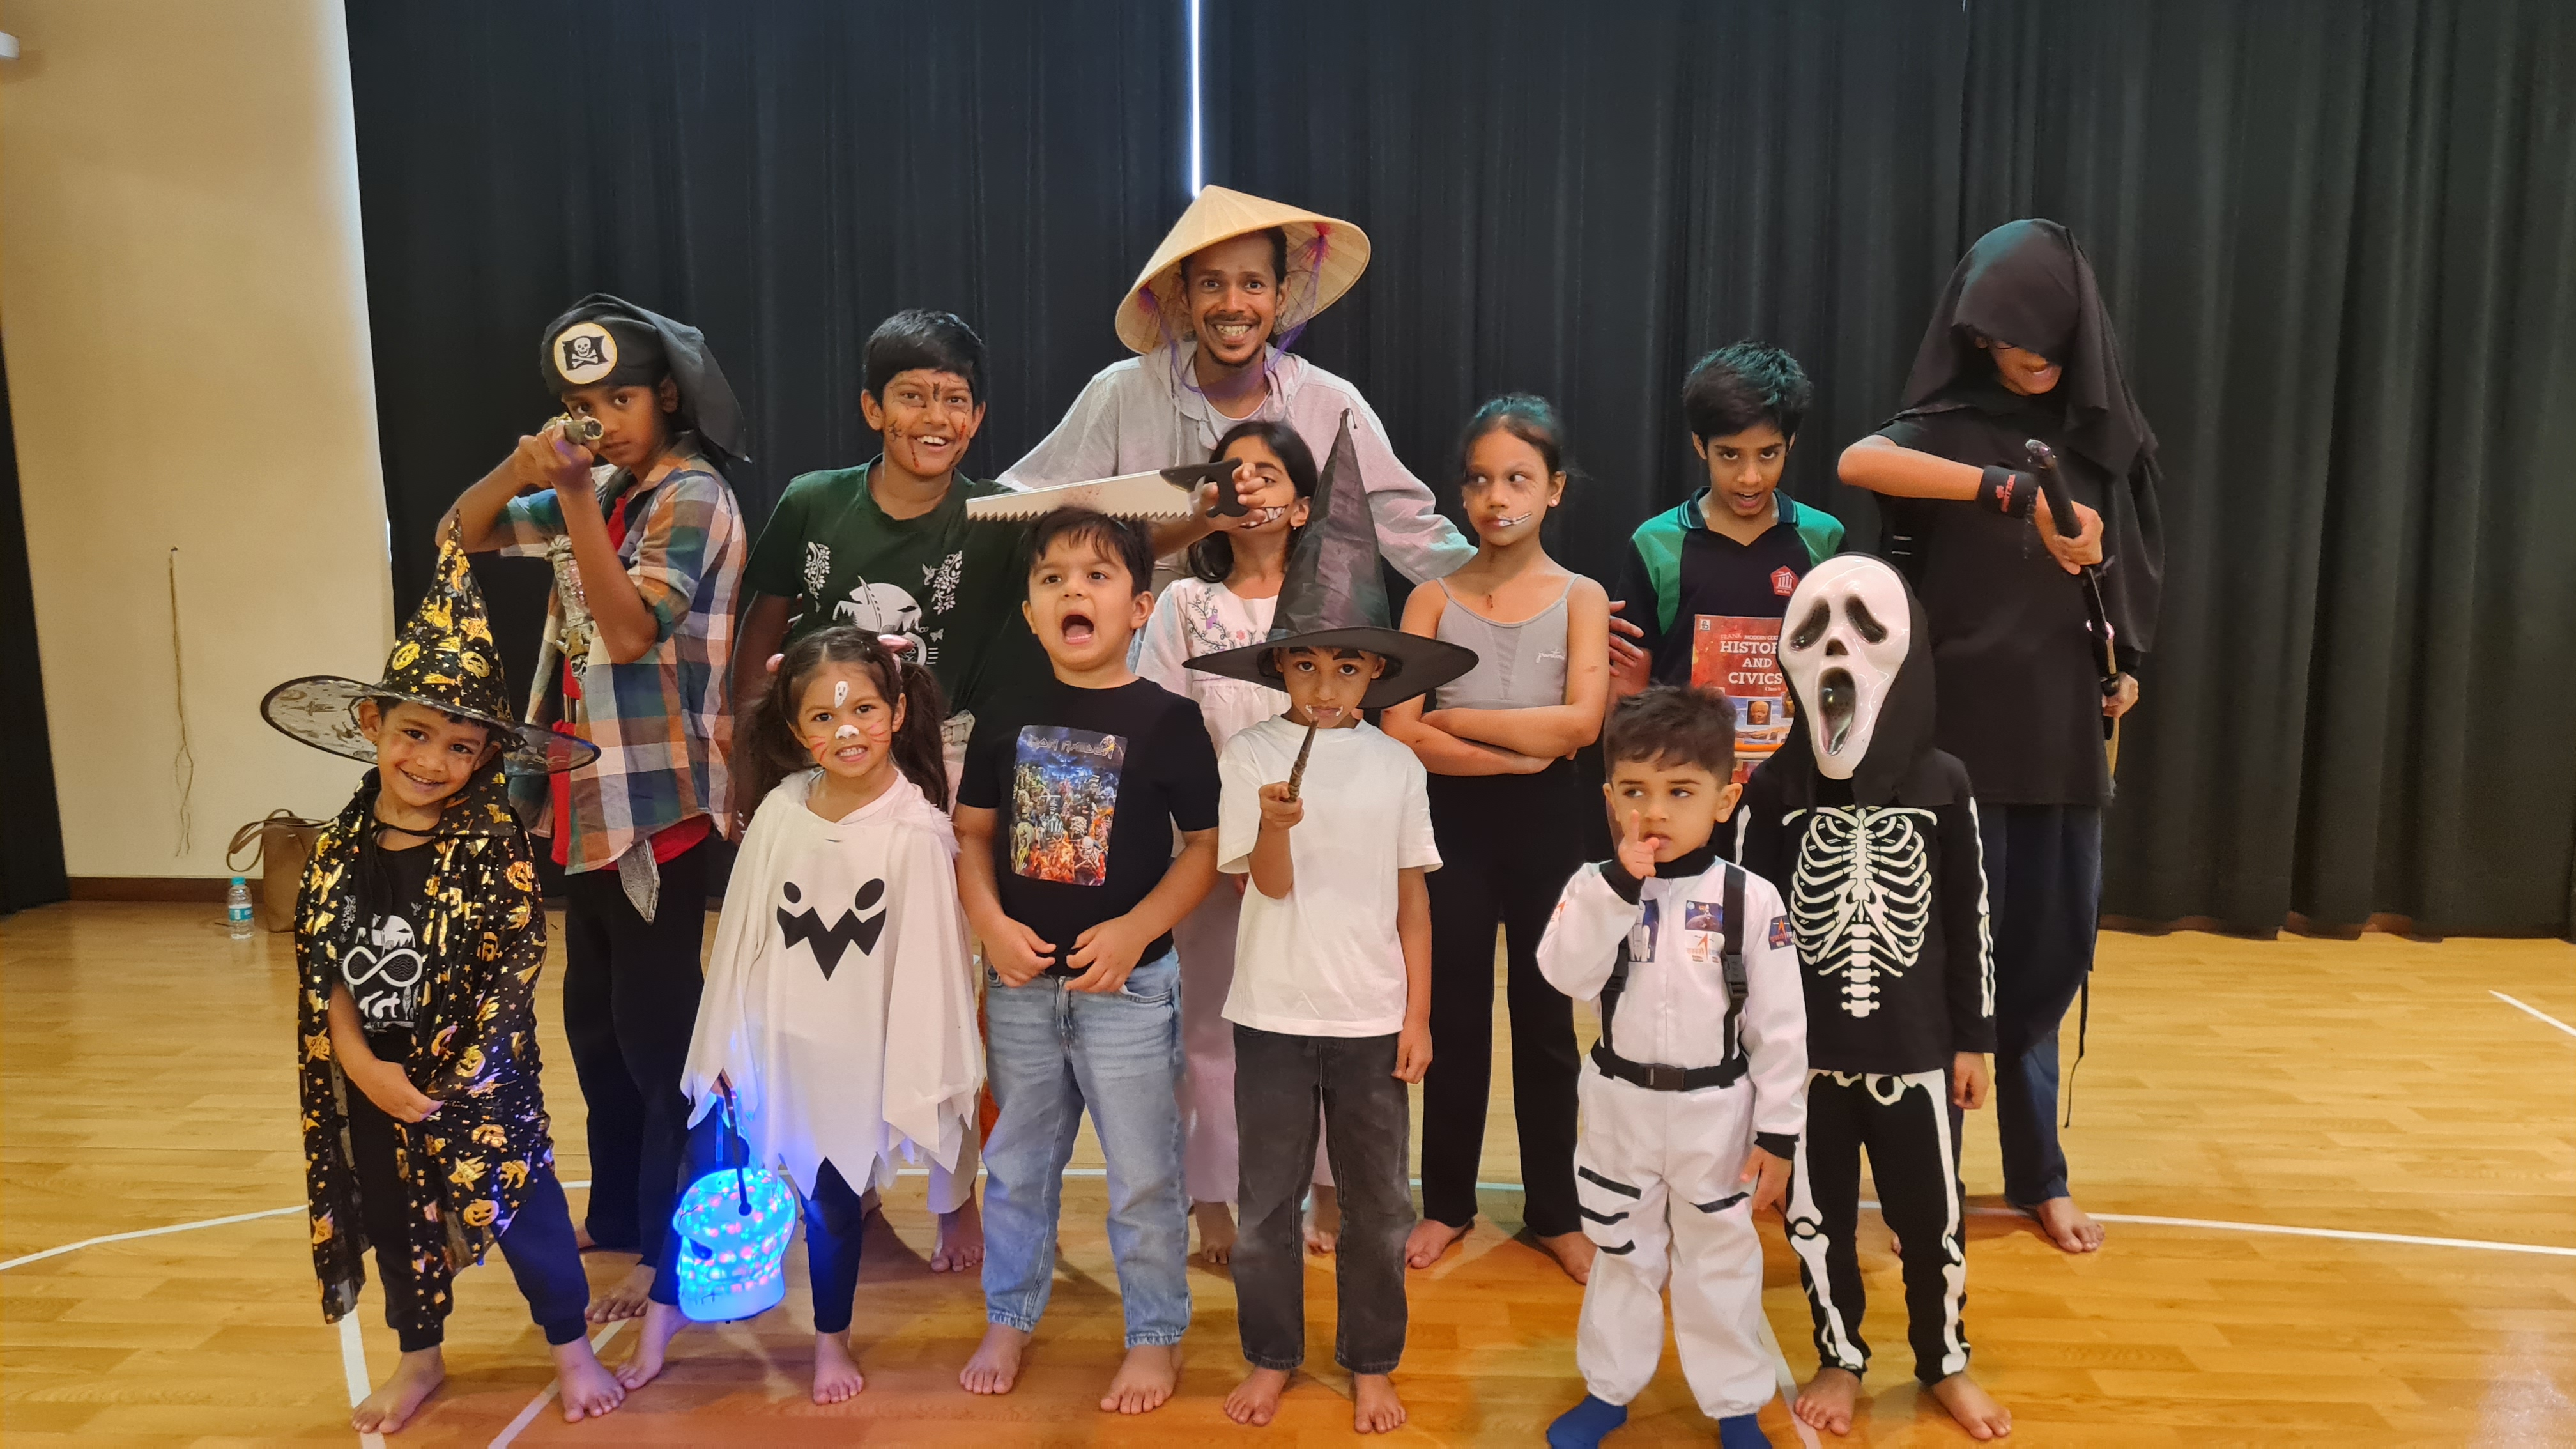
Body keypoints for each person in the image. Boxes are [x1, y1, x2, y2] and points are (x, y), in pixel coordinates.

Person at [1837, 218, 2164, 1255]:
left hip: (2062, 739)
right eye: (2003, 340)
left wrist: (2125, 669)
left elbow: (2131, 583)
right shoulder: (1942, 429)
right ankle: (1921, 1182)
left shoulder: (2107, 440)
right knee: (1941, 970)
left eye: (2044, 339)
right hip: (1954, 746)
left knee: (2043, 962)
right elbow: (1860, 461)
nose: (2027, 357)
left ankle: (2038, 1176)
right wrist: (2008, 490)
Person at [259, 530, 621, 1434]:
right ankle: (419, 1354)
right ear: (373, 725)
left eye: (460, 747)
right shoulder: (340, 848)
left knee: (527, 1212)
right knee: (394, 1219)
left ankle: (571, 1347)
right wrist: (365, 1069)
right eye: (414, 735)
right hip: (376, 1078)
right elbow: (325, 973)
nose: (431, 762)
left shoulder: (493, 846)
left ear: (486, 757)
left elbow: (514, 969)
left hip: (478, 1082)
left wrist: (457, 1080)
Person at [444, 295, 750, 1318]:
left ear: (668, 396)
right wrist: (523, 468)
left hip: (659, 800)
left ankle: (674, 1242)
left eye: (623, 399)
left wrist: (574, 496)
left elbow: (627, 633)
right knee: (595, 1027)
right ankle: (617, 1211)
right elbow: (458, 534)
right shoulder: (606, 486)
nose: (604, 421)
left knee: (660, 1036)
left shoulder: (692, 493)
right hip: (583, 796)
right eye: (585, 405)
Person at [1183, 410, 1474, 1434]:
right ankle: (1272, 1354)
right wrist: (1272, 830)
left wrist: (1418, 1016)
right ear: (1279, 670)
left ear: (1377, 674)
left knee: (1379, 1206)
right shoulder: (1250, 760)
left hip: (1370, 1019)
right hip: (1271, 1014)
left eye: (1347, 667)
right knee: (1265, 1205)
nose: (1325, 684)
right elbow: (1261, 888)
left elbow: (1412, 901)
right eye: (1305, 665)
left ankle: (1371, 1360)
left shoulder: (1397, 767)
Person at [616, 629, 983, 1404]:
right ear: (794, 728)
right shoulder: (782, 812)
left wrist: (906, 1072)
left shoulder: (916, 832)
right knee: (702, 1176)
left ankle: (830, 1341)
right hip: (760, 1043)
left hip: (848, 1062)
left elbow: (926, 969)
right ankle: (662, 1321)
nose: (846, 730)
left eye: (863, 709)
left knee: (832, 1205)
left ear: (898, 711)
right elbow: (743, 934)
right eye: (822, 716)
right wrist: (721, 1042)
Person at [952, 509, 1222, 1414]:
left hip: (1129, 994)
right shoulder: (1004, 713)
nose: (1074, 589)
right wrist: (989, 924)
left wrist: (1136, 929)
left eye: (1098, 576)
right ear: (1031, 612)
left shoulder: (1171, 721)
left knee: (1144, 1174)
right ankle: (1009, 1315)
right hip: (1023, 989)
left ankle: (1154, 1334)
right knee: (1017, 1167)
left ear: (1139, 607)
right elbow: (973, 834)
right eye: (1053, 578)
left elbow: (1203, 850)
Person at [1738, 556, 2012, 1441]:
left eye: (1863, 628)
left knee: (1932, 1221)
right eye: (1814, 630)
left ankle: (1945, 1360)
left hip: (1916, 1053)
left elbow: (1970, 915)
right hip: (1805, 1062)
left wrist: (1975, 1039)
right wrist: (1746, 1059)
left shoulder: (1945, 784)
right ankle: (1840, 1355)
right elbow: (1745, 931)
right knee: (1815, 1223)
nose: (1837, 652)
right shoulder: (1774, 789)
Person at [1537, 687, 1807, 1449]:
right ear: (1609, 799)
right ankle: (1609, 1391)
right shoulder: (1593, 888)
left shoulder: (1751, 900)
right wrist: (1618, 893)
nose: (1654, 812)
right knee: (1620, 1255)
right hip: (1619, 1107)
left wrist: (1780, 1133)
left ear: (1725, 800)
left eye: (1680, 792)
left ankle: (1735, 1405)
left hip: (1715, 1115)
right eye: (1634, 792)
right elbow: (1565, 975)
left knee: (1719, 1262)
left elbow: (1781, 1028)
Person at [1379, 396, 1610, 1281]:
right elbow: (1401, 731)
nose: (1496, 497)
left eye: (1518, 478)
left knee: (1548, 1021)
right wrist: (1520, 753)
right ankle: (1447, 1202)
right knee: (1455, 1017)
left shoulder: (1581, 597)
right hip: (1454, 831)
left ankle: (1557, 1210)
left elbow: (1582, 724)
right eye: (1479, 480)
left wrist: (1463, 724)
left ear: (1555, 489)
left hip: (1551, 827)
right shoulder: (1430, 600)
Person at [1000, 185, 1475, 583]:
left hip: (1288, 648)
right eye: (1212, 284)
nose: (1233, 305)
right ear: (1184, 296)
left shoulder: (1331, 405)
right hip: (1148, 648)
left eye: (1253, 284)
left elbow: (1411, 530)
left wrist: (1499, 588)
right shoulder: (1122, 394)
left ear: (1280, 296)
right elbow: (1025, 506)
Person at [1131, 417, 1340, 1262]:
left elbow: (1351, 730)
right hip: (1211, 854)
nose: (1249, 488)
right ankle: (1213, 1199)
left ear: (1303, 506)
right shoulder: (1186, 604)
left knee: (1322, 1026)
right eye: (1233, 475)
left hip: (1320, 853)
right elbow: (1162, 730)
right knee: (1210, 1032)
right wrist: (1224, 846)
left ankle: (1329, 1190)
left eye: (1269, 476)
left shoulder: (1334, 607)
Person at [733, 309, 1042, 813]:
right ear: (873, 409)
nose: (936, 418)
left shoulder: (1001, 516)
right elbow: (762, 627)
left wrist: (1189, 512)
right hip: (816, 745)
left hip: (941, 756)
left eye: (955, 400)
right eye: (912, 397)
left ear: (977, 417)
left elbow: (1097, 552)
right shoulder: (812, 501)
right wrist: (747, 758)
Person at [1613, 342, 1843, 784]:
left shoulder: (1824, 538)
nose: (1749, 477)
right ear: (1700, 445)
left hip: (1793, 784)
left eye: (1768, 454)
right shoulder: (1657, 543)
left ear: (1791, 444)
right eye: (1730, 455)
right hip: (1683, 779)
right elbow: (1628, 685)